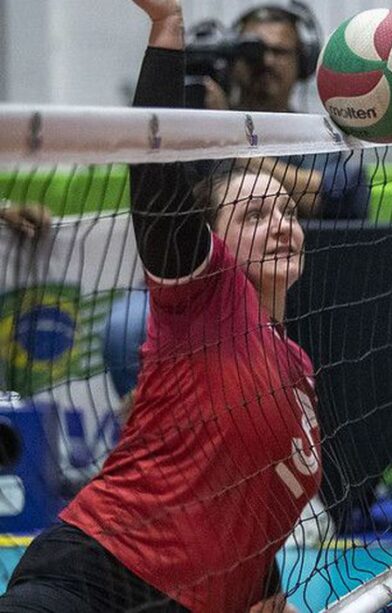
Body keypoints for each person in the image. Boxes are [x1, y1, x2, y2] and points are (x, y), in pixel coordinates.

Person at [0, 1, 318, 611]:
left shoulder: (299, 368)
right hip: (96, 577)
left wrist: (265, 584)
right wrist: (167, 28)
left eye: (287, 212)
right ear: (213, 241)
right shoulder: (207, 292)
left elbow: (242, 497)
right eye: (256, 214)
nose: (282, 225)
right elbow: (157, 179)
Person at [202, 2, 369, 221]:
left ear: (302, 62)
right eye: (254, 51)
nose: (267, 61)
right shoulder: (204, 125)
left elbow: (331, 198)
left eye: (279, 52)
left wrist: (231, 144)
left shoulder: (315, 134)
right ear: (233, 60)